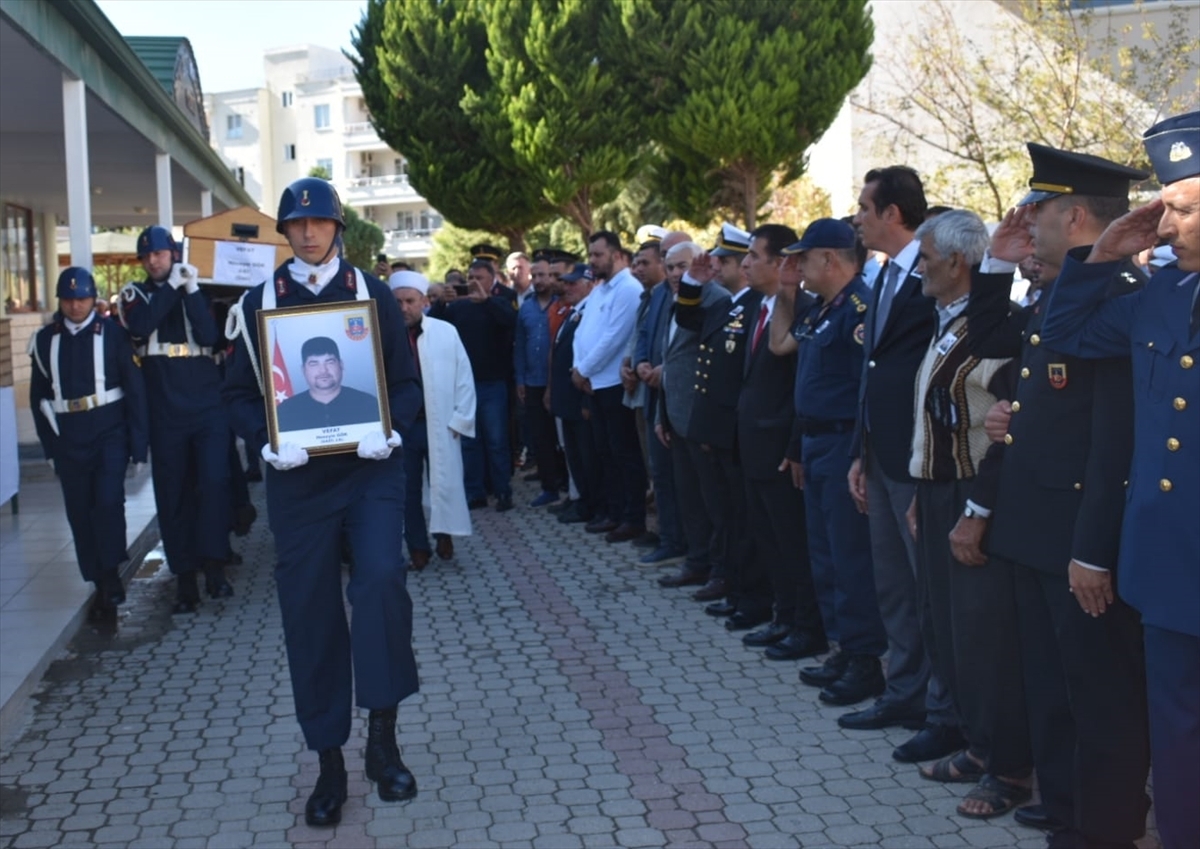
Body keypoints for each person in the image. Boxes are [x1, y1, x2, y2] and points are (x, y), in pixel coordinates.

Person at [222, 177, 422, 827]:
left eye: (320, 222)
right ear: (284, 232)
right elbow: (239, 394)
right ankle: (330, 760)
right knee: (309, 609)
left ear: (339, 228)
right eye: (296, 224)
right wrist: (263, 441)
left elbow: (406, 385)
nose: (308, 233)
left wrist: (390, 430)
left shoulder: (373, 294)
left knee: (383, 582)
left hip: (370, 471)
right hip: (298, 477)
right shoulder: (258, 303)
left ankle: (383, 740)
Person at [968, 144, 1151, 844]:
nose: (1027, 218)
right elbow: (996, 344)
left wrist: (1091, 548)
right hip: (1034, 528)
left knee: (1100, 702)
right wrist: (995, 260)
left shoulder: (1116, 297)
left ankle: (1103, 826)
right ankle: (1066, 808)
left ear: (1074, 214)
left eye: (1038, 208)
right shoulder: (1061, 293)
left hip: (1077, 534)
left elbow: (1113, 442)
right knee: (1051, 690)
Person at [1039, 110, 1200, 849]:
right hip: (1167, 566)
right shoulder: (1160, 298)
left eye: (1183, 207)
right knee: (1177, 743)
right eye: (1161, 208)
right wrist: (1103, 251)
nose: (1164, 226)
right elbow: (1066, 334)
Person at [902, 210, 1032, 821]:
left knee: (985, 639)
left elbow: (1003, 431)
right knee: (947, 630)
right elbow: (932, 417)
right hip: (938, 492)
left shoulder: (995, 325)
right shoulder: (949, 322)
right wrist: (919, 489)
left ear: (957, 261)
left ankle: (1009, 769)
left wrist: (976, 509)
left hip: (977, 496)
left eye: (926, 255)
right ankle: (979, 748)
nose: (919, 265)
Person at [844, 167, 954, 755]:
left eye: (865, 206)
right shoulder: (884, 275)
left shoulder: (933, 268)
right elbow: (874, 370)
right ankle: (904, 690)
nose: (857, 216)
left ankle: (944, 707)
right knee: (894, 585)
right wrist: (860, 450)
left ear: (892, 214)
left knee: (928, 586)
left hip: (920, 457)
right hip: (881, 453)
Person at [772, 219, 887, 706]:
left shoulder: (860, 308)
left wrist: (858, 452)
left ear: (830, 259)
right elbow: (783, 348)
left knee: (850, 555)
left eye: (803, 258)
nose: (796, 266)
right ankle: (843, 646)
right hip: (817, 442)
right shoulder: (822, 309)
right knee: (825, 553)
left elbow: (866, 388)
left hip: (844, 444)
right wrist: (784, 291)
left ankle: (865, 658)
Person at [119, 225, 233, 612]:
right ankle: (185, 576)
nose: (154, 260)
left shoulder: (191, 289)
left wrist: (192, 289)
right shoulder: (136, 294)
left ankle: (215, 568)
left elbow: (209, 335)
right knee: (173, 495)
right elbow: (140, 325)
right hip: (165, 406)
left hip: (205, 403)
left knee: (214, 486)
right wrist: (172, 288)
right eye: (148, 255)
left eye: (161, 254)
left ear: (174, 254)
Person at [29, 267, 148, 624]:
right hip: (69, 436)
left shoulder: (112, 334)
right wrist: (50, 449)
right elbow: (39, 398)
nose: (75, 305)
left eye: (81, 298)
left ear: (92, 299)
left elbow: (135, 390)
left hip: (109, 430)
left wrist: (138, 447)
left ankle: (111, 573)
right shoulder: (45, 340)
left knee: (109, 502)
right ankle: (99, 581)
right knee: (80, 513)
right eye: (68, 299)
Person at [673, 224, 763, 610]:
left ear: (744, 265)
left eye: (724, 260)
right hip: (714, 429)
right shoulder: (728, 305)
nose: (717, 265)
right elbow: (688, 320)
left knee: (738, 517)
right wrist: (692, 283)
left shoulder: (756, 305)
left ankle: (741, 587)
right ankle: (731, 581)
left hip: (733, 431)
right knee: (722, 512)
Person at [389, 270, 475, 570]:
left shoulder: (444, 332)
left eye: (410, 301)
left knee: (444, 482)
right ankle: (417, 548)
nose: (403, 308)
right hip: (402, 428)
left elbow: (464, 377)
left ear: (424, 301)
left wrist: (460, 419)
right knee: (407, 490)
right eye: (397, 301)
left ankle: (444, 533)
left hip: (440, 423)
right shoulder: (384, 336)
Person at [573, 231, 648, 542]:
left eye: (598, 255)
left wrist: (584, 370)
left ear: (617, 256)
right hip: (594, 383)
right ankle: (613, 511)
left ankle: (632, 517)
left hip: (613, 383)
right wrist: (578, 369)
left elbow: (614, 337)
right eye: (590, 255)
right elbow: (583, 331)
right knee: (605, 452)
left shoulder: (628, 288)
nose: (592, 261)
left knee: (623, 453)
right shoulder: (601, 289)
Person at [443, 249, 518, 512]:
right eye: (471, 277)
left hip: (492, 384)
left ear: (492, 279)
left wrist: (486, 301)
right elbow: (435, 325)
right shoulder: (458, 307)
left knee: (497, 440)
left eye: (480, 277)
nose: (474, 282)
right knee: (469, 442)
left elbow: (511, 322)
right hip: (463, 386)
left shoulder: (499, 302)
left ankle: (503, 492)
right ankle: (475, 493)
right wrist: (442, 301)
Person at [548, 264, 603, 525]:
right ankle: (581, 501)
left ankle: (591, 504)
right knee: (575, 456)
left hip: (579, 397)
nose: (567, 288)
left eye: (574, 283)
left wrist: (584, 400)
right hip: (565, 398)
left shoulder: (590, 312)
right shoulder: (573, 313)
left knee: (587, 457)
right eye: (566, 283)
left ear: (590, 284)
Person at [515, 256, 561, 507]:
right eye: (536, 276)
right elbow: (519, 344)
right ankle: (549, 487)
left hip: (559, 382)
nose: (540, 280)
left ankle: (567, 482)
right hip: (532, 381)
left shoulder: (562, 304)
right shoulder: (527, 307)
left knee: (562, 437)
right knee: (540, 437)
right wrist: (520, 378)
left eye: (544, 275)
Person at [275, 337, 380, 431]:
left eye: (330, 362)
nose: (323, 371)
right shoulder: (285, 411)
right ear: (303, 370)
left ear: (341, 365)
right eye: (314, 363)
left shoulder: (368, 404)